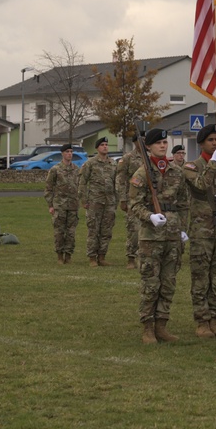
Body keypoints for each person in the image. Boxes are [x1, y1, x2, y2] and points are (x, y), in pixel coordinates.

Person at [129, 128, 190, 344]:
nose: (163, 146)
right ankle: (147, 327)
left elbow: (183, 203)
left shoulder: (176, 171)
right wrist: (150, 216)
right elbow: (134, 204)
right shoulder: (141, 173)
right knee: (150, 282)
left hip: (172, 233)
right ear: (149, 147)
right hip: (151, 235)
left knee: (168, 281)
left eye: (165, 142)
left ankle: (162, 325)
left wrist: (183, 228)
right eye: (158, 143)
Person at [182, 124, 216, 339]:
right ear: (201, 143)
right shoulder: (191, 167)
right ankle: (202, 321)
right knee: (201, 277)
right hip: (202, 230)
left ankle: (215, 319)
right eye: (211, 140)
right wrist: (213, 163)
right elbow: (202, 185)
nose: (215, 143)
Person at [78, 137, 118, 267]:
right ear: (97, 148)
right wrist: (83, 199)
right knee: (93, 230)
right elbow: (83, 182)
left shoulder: (113, 164)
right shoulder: (90, 163)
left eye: (106, 144)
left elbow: (117, 182)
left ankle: (102, 256)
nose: (105, 147)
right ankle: (92, 258)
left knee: (106, 230)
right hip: (95, 201)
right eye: (102, 145)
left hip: (109, 202)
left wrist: (117, 199)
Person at [44, 143, 81, 265]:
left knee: (71, 232)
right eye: (67, 152)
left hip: (73, 206)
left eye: (71, 152)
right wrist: (50, 205)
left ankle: (68, 255)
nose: (69, 154)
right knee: (59, 232)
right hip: (59, 205)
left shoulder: (76, 169)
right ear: (62, 154)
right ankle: (60, 255)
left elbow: (80, 186)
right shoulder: (55, 169)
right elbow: (48, 188)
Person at [116, 137, 143, 269]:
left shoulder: (150, 157)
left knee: (147, 229)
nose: (142, 142)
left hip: (147, 199)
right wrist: (122, 199)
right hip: (132, 198)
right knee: (133, 229)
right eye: (140, 140)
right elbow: (121, 179)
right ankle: (131, 258)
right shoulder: (128, 158)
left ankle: (142, 257)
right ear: (135, 142)